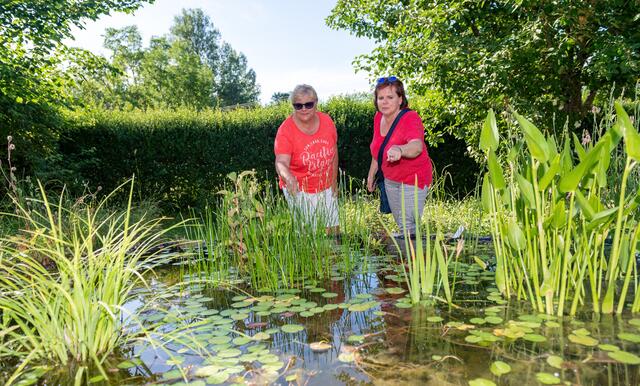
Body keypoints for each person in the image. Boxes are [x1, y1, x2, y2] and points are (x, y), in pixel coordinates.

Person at [366, 77, 433, 237]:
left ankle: (414, 261)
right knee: (402, 225)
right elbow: (377, 149)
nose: (384, 102)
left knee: (408, 226)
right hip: (390, 180)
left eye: (390, 97)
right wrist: (371, 173)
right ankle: (407, 259)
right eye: (380, 98)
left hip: (413, 179)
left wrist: (400, 149)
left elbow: (416, 146)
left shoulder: (410, 118)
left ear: (400, 99)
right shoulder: (378, 118)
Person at [274, 84, 340, 235]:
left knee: (333, 232)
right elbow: (281, 162)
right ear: (293, 106)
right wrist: (288, 177)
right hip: (299, 188)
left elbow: (334, 151)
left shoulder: (327, 122)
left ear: (316, 103)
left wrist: (334, 180)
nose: (304, 109)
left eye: (308, 104)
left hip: (326, 184)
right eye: (298, 105)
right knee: (309, 235)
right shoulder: (285, 130)